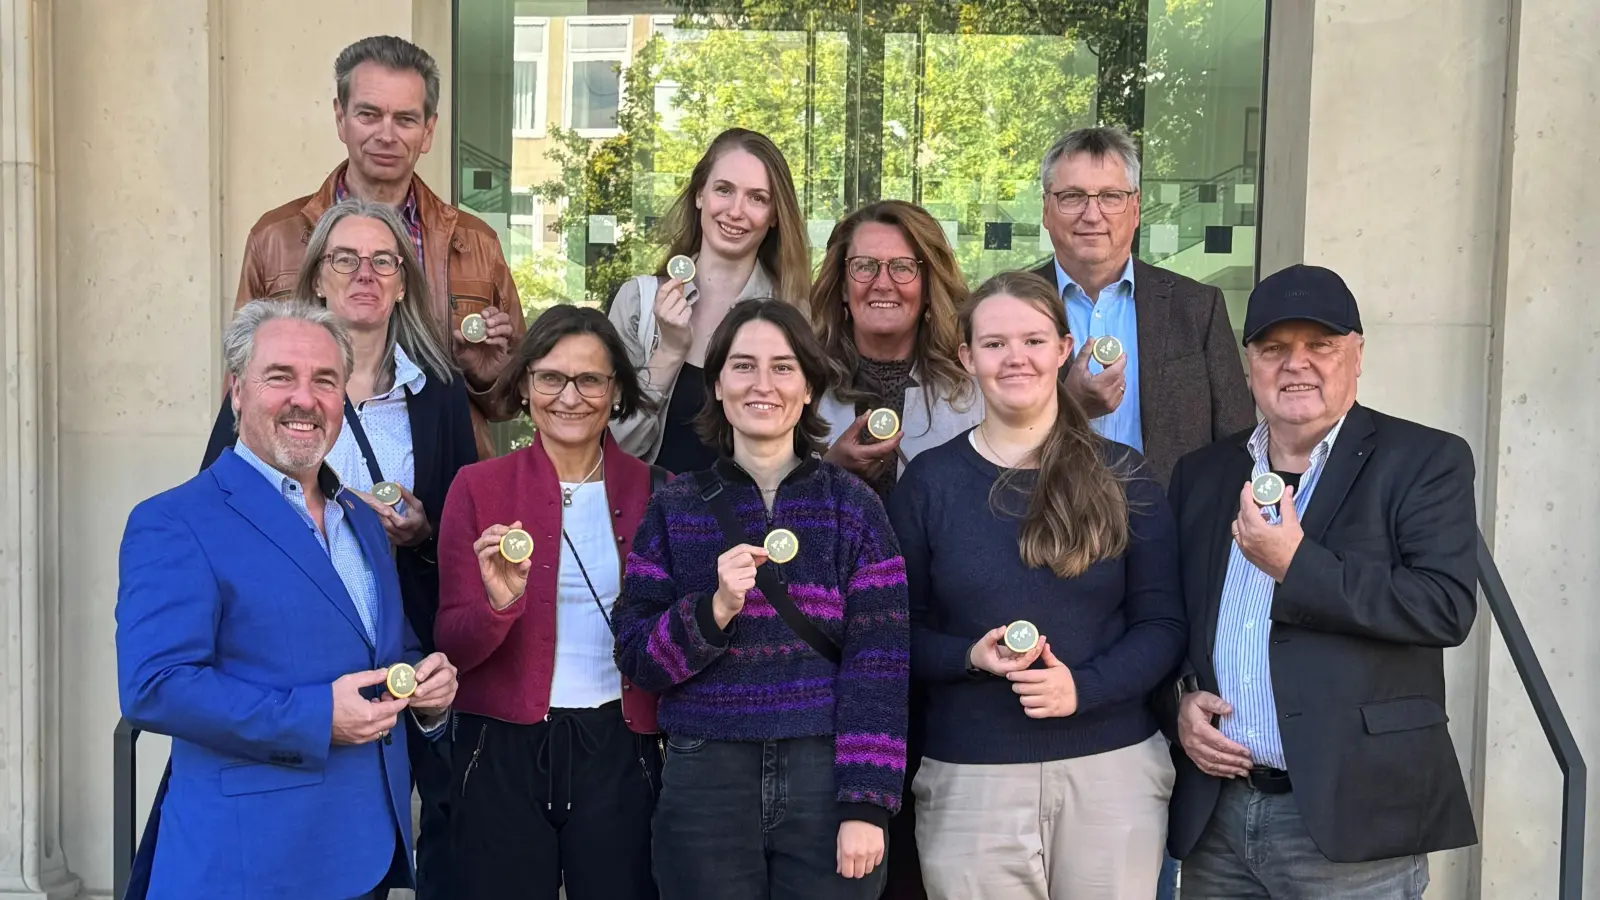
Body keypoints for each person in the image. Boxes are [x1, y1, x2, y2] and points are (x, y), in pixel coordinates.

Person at [116, 300, 459, 899]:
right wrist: (318, 717)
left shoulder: (361, 519)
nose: (305, 398)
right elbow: (156, 686)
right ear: (237, 392)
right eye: (280, 376)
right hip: (248, 863)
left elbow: (389, 652)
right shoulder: (174, 521)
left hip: (365, 852)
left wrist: (426, 691)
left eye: (325, 380)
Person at [1164, 264, 1478, 898]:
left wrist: (1294, 565)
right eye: (1274, 348)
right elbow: (1171, 619)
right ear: (1249, 362)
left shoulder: (1425, 460)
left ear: (1356, 356)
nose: (1295, 364)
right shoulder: (1202, 474)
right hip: (1219, 816)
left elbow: (1444, 607)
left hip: (1350, 817)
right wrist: (1176, 705)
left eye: (1321, 345)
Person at [202, 198, 477, 897]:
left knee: (383, 830)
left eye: (383, 260)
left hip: (394, 648)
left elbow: (461, 519)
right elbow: (218, 507)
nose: (364, 274)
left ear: (402, 281)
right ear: (318, 276)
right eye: (344, 259)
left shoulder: (437, 390)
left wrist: (420, 530)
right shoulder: (266, 388)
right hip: (281, 657)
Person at [888, 270, 1186, 900]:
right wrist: (968, 656)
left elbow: (1163, 625)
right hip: (972, 775)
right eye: (994, 344)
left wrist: (1085, 687)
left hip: (1111, 770)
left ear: (1064, 349)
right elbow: (892, 635)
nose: (1014, 358)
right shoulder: (928, 484)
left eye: (1032, 340)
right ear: (967, 357)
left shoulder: (1124, 476)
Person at [612, 298, 909, 899]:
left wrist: (865, 805)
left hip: (824, 771)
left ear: (807, 389)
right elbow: (637, 657)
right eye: (743, 366)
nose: (763, 384)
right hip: (706, 773)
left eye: (783, 367)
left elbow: (879, 666)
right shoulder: (676, 504)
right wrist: (712, 610)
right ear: (717, 385)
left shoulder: (853, 506)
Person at [434, 305, 665, 900]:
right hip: (500, 746)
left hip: (622, 742)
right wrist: (497, 603)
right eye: (551, 378)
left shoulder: (657, 491)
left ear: (616, 393)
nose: (570, 396)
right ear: (526, 384)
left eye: (590, 379)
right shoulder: (477, 488)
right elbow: (453, 645)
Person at [236, 35, 524, 461]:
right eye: (369, 114)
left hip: (441, 486)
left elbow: (510, 404)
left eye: (405, 119)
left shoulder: (477, 244)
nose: (386, 135)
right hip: (303, 477)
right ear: (341, 117)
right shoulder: (276, 237)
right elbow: (241, 389)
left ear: (428, 130)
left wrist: (484, 374)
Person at [1029, 125, 1253, 485]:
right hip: (1041, 527)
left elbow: (1239, 445)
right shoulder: (1005, 307)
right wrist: (1069, 405)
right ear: (1046, 209)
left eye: (1110, 196)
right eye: (1072, 196)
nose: (1092, 214)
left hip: (1169, 530)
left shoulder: (1197, 308)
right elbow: (982, 432)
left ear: (1135, 208)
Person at [607, 128, 810, 471]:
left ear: (775, 215)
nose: (736, 211)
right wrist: (669, 351)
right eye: (724, 190)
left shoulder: (795, 312)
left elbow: (803, 443)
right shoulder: (638, 303)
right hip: (652, 519)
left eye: (757, 198)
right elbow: (611, 446)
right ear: (700, 194)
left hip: (754, 521)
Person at [810, 200, 983, 501]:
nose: (882, 283)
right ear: (841, 286)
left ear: (929, 287)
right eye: (864, 266)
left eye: (902, 267)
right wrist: (828, 472)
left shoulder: (973, 390)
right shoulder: (802, 382)